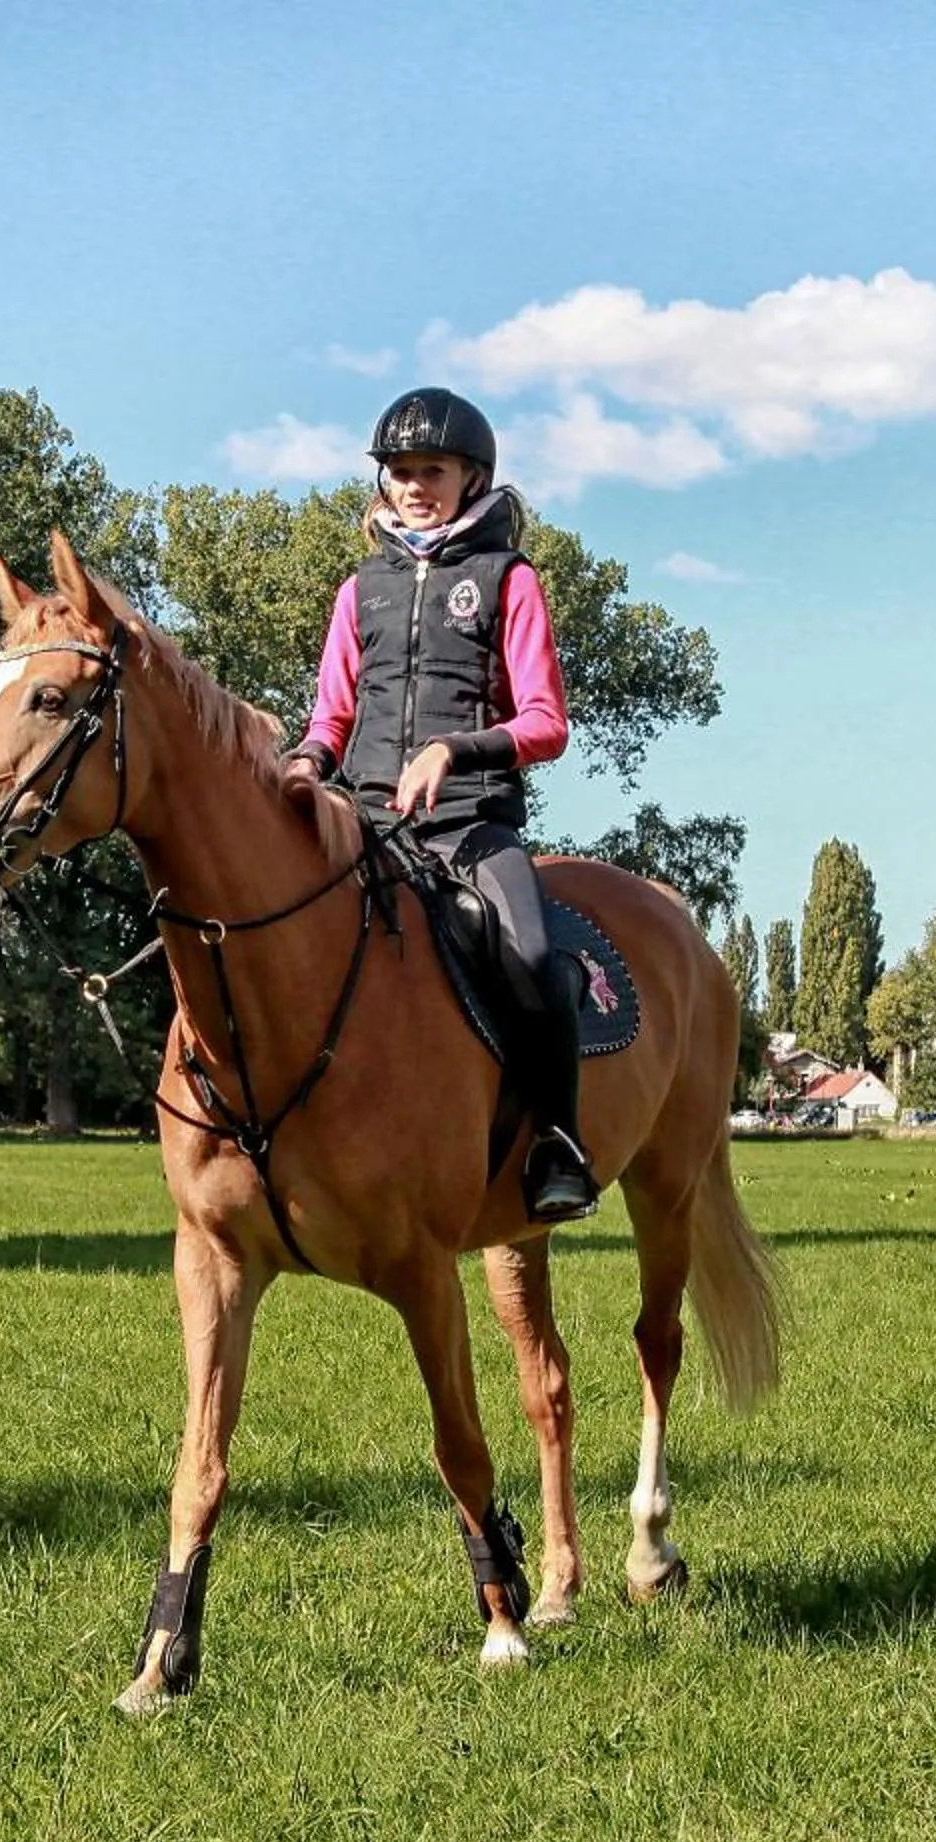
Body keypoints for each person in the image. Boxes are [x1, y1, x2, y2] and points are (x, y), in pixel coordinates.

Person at [281, 387, 600, 1223]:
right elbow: (332, 715)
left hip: (470, 824)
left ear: (472, 477)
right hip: (370, 822)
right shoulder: (360, 590)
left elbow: (546, 722)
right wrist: (310, 763)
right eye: (400, 471)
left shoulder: (509, 579)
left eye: (434, 470)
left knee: (531, 960)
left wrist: (454, 750)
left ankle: (557, 1144)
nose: (415, 485)